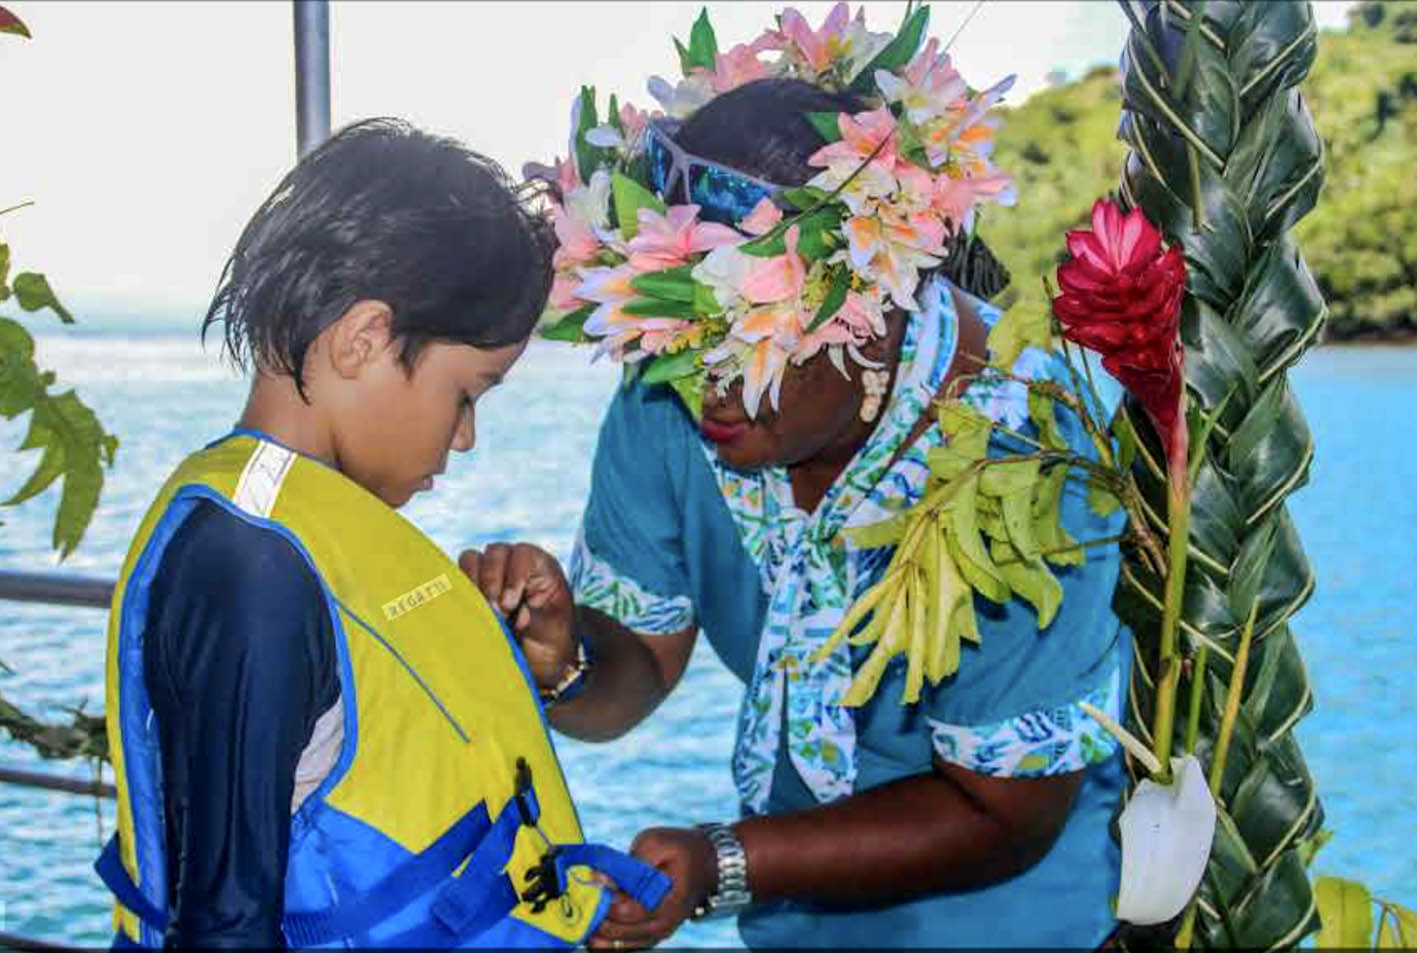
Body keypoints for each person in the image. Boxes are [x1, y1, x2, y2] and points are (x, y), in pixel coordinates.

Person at [467, 8, 1130, 948]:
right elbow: (641, 667)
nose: (708, 389)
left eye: (746, 347)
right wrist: (565, 655)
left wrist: (726, 861)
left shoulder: (1026, 450)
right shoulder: (672, 402)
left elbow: (1005, 813)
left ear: (867, 316)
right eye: (677, 342)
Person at [95, 118, 667, 949]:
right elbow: (222, 920)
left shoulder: (310, 529)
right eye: (467, 393)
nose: (464, 435)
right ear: (364, 339)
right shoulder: (247, 564)